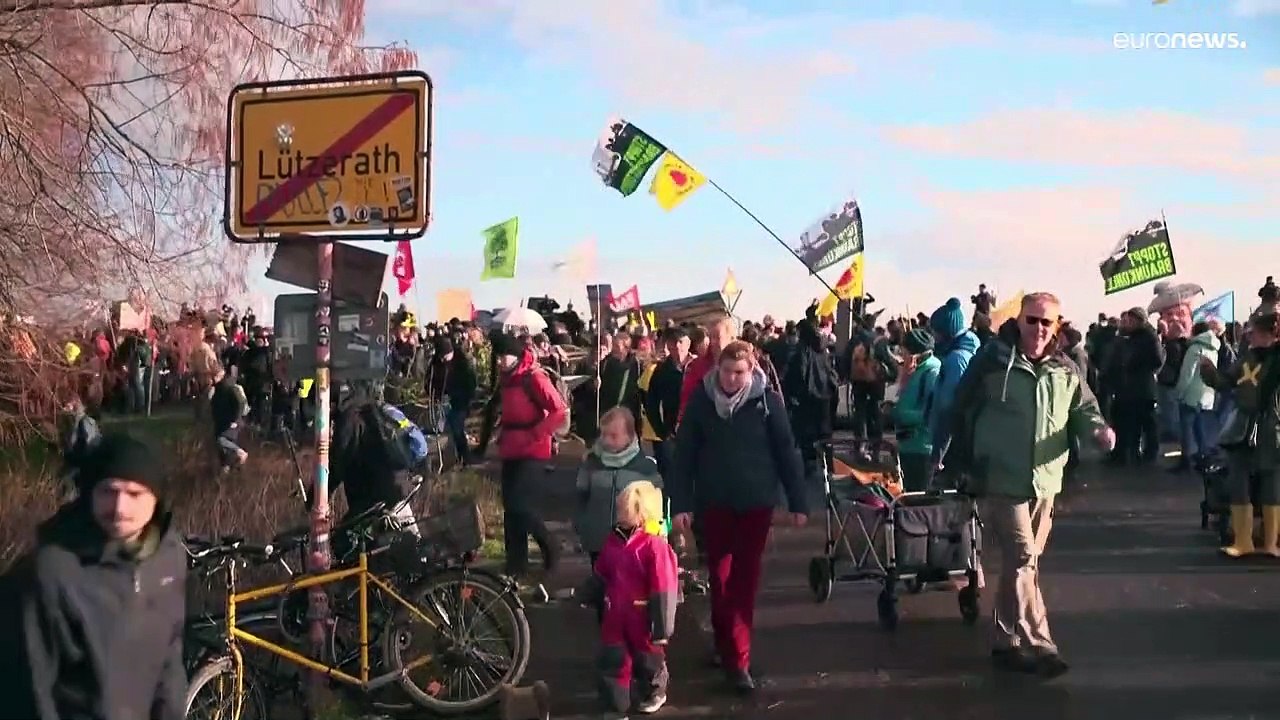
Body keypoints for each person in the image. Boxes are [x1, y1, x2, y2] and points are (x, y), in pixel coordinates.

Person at [941, 292, 1113, 678]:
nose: (1038, 329)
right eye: (1031, 320)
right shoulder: (991, 361)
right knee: (1023, 559)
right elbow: (959, 408)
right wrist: (954, 461)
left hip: (1046, 480)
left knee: (1021, 565)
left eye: (1045, 322)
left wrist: (1100, 431)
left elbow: (1084, 408)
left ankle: (1005, 639)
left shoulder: (1066, 369)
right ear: (1019, 321)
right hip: (1000, 479)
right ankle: (1040, 643)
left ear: (1057, 326)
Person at [668, 340, 808, 693]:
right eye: (727, 371)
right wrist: (681, 503)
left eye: (739, 372)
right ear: (719, 369)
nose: (731, 379)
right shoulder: (702, 400)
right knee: (720, 577)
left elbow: (786, 451)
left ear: (751, 371)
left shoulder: (767, 402)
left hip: (756, 504)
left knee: (744, 582)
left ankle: (738, 661)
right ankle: (723, 641)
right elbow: (684, 454)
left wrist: (798, 501)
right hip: (714, 503)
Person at [19, 434, 187, 719]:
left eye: (134, 494)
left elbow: (169, 663)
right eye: (108, 491)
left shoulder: (168, 560)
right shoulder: (51, 571)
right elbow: (27, 688)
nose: (120, 508)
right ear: (90, 494)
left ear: (155, 499)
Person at [479, 332, 568, 579]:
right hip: (511, 449)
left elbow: (559, 411)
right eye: (497, 356)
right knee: (511, 510)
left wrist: (535, 434)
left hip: (533, 451)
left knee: (522, 508)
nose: (499, 361)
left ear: (516, 355)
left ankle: (551, 547)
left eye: (503, 356)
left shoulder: (534, 377)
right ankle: (516, 564)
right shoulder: (507, 379)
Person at [589, 480, 679, 717]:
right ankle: (615, 706)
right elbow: (601, 572)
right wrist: (589, 592)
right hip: (615, 614)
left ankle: (655, 690)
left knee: (648, 660)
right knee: (613, 661)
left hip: (642, 616)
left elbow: (664, 588)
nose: (620, 515)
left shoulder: (655, 546)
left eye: (625, 511)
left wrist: (662, 628)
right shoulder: (614, 540)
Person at [1199, 312, 1280, 558]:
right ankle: (1243, 541)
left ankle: (1271, 543)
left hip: (1273, 428)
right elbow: (1224, 381)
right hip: (1243, 427)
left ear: (1268, 334)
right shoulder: (1247, 358)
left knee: (1272, 485)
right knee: (1238, 480)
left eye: (1253, 331)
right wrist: (1208, 371)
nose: (1249, 335)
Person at [574, 408, 663, 606]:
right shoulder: (592, 463)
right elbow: (581, 496)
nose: (606, 440)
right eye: (604, 434)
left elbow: (655, 505)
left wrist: (659, 534)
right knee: (601, 592)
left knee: (628, 593)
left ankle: (627, 631)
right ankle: (606, 630)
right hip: (598, 540)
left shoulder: (645, 467)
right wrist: (581, 525)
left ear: (630, 436)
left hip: (632, 544)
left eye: (614, 436)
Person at [926, 297, 981, 470]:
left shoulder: (956, 359)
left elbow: (947, 407)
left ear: (946, 332)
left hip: (951, 444)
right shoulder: (962, 352)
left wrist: (937, 455)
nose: (933, 336)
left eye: (935, 332)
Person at [780, 319, 838, 481]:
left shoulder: (802, 350)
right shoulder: (823, 348)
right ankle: (829, 465)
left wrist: (792, 391)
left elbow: (799, 373)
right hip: (825, 395)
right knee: (825, 432)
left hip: (807, 397)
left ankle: (809, 464)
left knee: (805, 432)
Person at [1105, 308, 1164, 465]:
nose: (1127, 323)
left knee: (1148, 424)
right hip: (1129, 389)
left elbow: (1157, 360)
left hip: (1143, 389)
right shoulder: (1129, 337)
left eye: (1131, 321)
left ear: (1139, 321)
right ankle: (1131, 453)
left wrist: (1136, 365)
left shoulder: (1149, 337)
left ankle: (1149, 455)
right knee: (1132, 423)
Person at [891, 328, 940, 492]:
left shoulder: (931, 372)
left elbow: (932, 412)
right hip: (909, 445)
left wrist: (900, 415)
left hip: (921, 447)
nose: (901, 357)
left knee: (917, 499)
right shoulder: (917, 370)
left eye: (904, 352)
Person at [1171, 321, 1220, 472]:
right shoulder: (1213, 349)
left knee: (1186, 428)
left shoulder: (1194, 349)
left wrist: (1179, 393)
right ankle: (1203, 456)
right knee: (1200, 428)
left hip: (1191, 395)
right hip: (1206, 394)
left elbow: (1187, 374)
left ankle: (1185, 460)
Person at [644, 327, 692, 478]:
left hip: (697, 434)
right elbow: (650, 402)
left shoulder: (697, 367)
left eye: (680, 341)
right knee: (671, 477)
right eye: (673, 342)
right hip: (671, 435)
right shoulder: (661, 371)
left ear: (688, 343)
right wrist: (661, 431)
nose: (677, 346)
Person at [426, 337, 478, 467]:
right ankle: (447, 458)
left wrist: (461, 398)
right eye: (441, 357)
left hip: (459, 402)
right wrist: (434, 393)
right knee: (441, 430)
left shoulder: (463, 363)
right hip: (441, 402)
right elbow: (429, 380)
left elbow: (471, 384)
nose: (443, 359)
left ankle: (464, 457)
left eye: (445, 356)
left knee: (457, 429)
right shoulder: (435, 363)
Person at [210, 366, 249, 471]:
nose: (213, 379)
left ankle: (240, 452)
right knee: (222, 450)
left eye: (215, 376)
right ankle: (227, 470)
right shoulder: (217, 390)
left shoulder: (229, 388)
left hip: (231, 423)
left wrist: (235, 420)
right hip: (221, 422)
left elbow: (239, 403)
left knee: (221, 440)